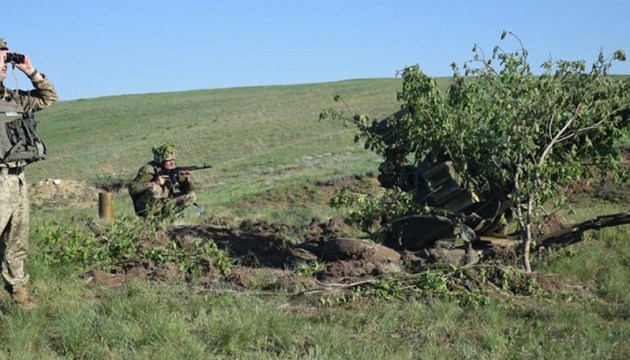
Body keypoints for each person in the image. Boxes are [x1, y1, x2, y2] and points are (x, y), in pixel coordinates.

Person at [0, 38, 58, 309]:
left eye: (4, 57)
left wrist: (30, 71)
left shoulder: (13, 98)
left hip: (18, 178)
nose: (3, 63)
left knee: (17, 239)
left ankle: (20, 295)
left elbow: (49, 98)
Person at [128, 143, 197, 219]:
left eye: (173, 160)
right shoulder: (148, 170)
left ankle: (168, 217)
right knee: (156, 189)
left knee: (191, 196)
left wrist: (185, 178)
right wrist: (154, 183)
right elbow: (132, 188)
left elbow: (187, 191)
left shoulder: (173, 169)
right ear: (161, 161)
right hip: (144, 206)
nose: (172, 163)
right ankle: (151, 218)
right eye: (169, 161)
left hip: (164, 202)